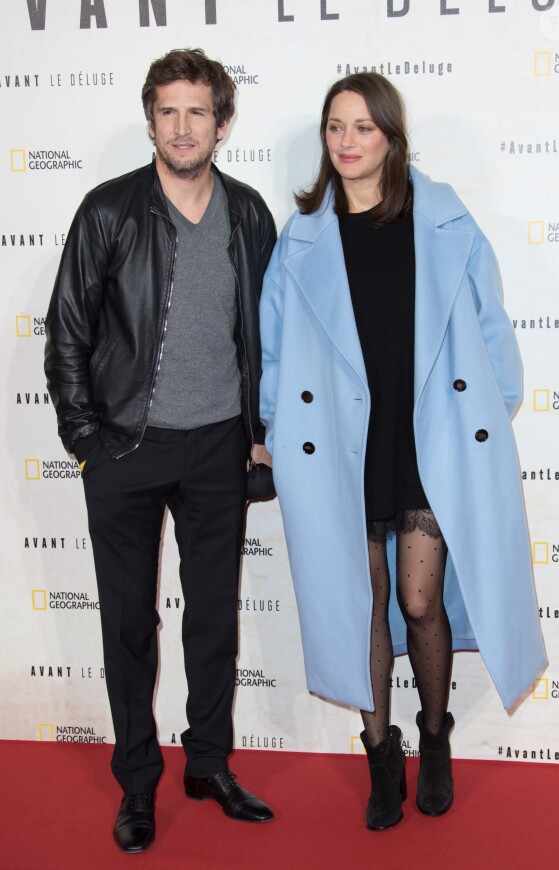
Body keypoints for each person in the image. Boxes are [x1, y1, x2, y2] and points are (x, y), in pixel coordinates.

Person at [259, 72, 546, 831]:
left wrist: (483, 419)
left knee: (419, 600)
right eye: (334, 128)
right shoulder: (303, 237)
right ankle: (380, 753)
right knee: (363, 605)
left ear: (391, 134)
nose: (347, 142)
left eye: (362, 127)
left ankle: (436, 735)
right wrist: (274, 434)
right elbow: (278, 353)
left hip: (426, 438)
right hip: (341, 447)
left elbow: (491, 329)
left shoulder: (445, 221)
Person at [45, 48, 277, 853]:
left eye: (198, 111)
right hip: (125, 449)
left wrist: (258, 438)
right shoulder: (108, 211)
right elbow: (67, 330)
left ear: (222, 121)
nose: (183, 127)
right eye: (169, 111)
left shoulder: (248, 214)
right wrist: (87, 439)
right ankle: (137, 784)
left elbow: (264, 340)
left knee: (212, 620)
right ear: (151, 119)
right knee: (128, 626)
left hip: (218, 447)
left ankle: (208, 764)